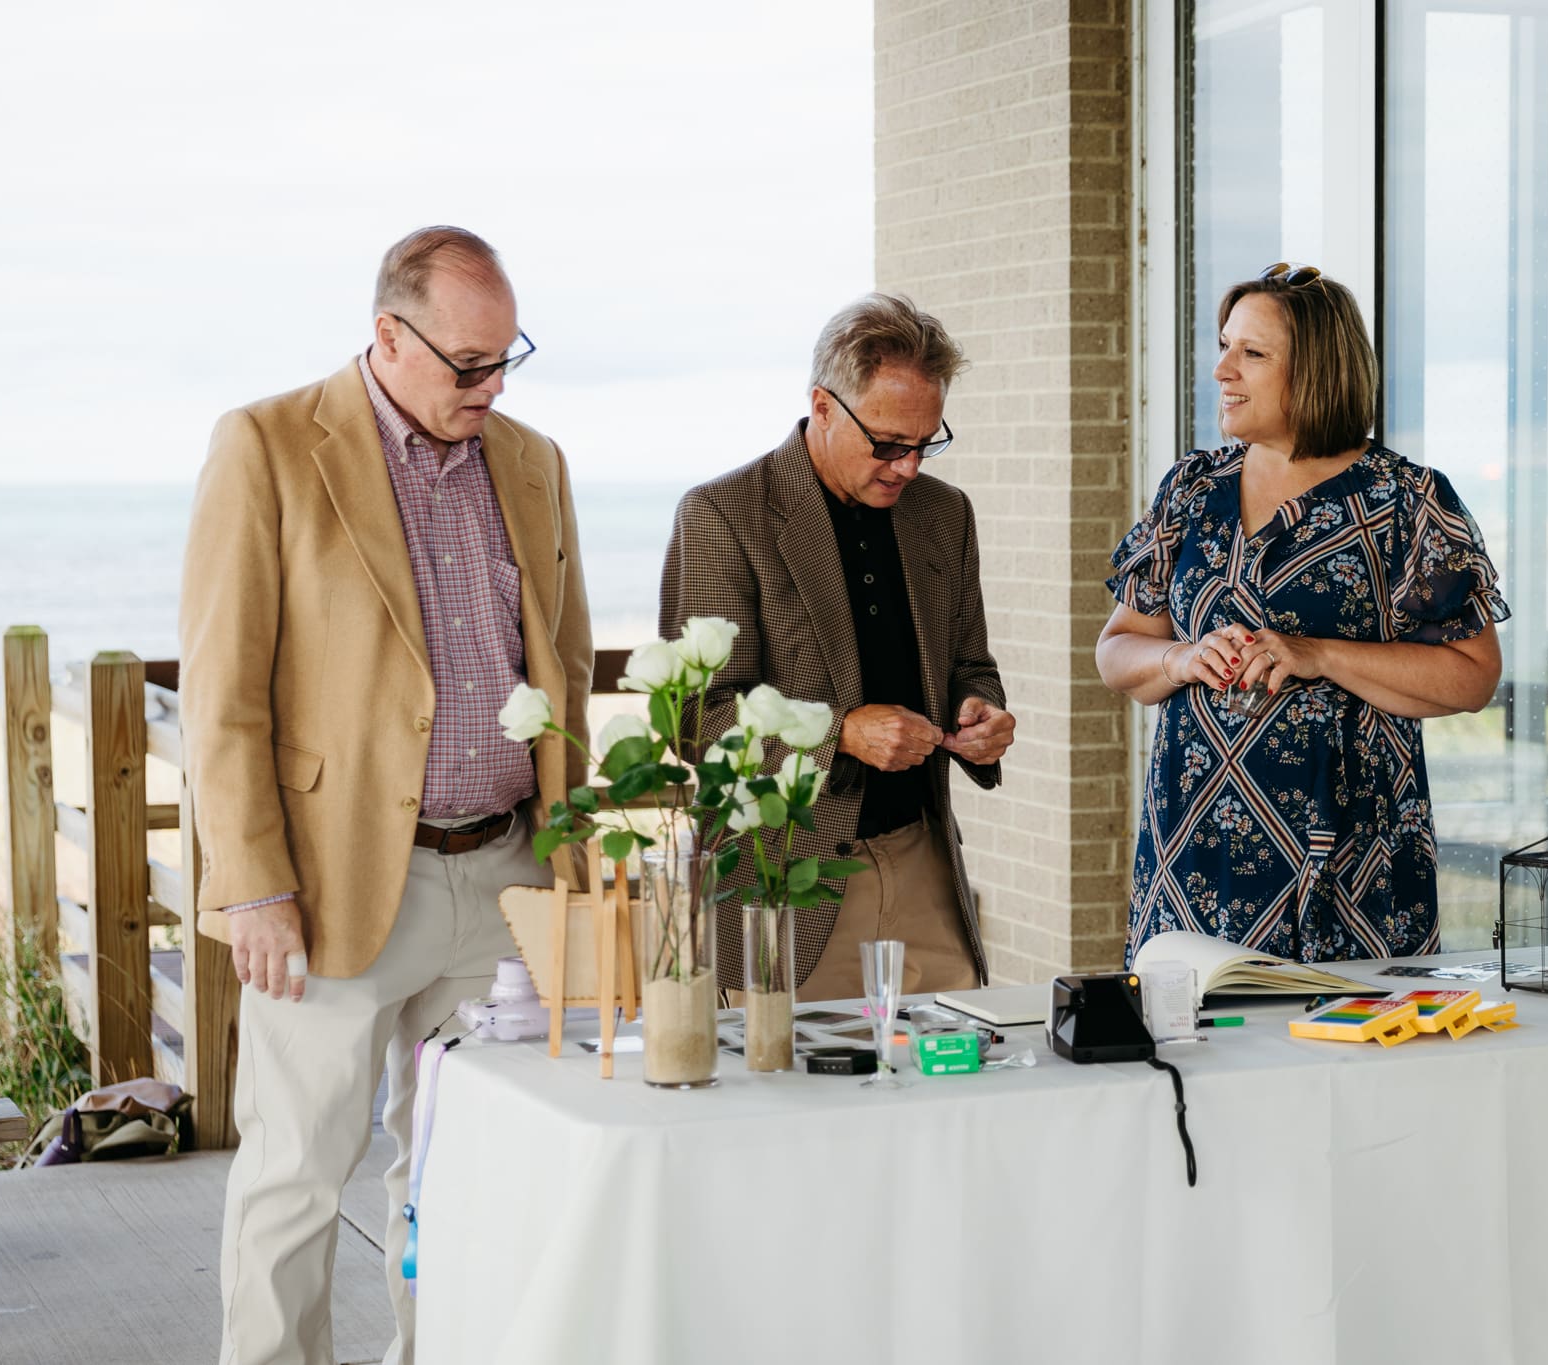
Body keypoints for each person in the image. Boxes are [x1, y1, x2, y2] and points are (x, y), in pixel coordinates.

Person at [179, 226, 591, 1365]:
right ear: (387, 337)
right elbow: (223, 695)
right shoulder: (264, 446)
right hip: (331, 890)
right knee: (294, 1180)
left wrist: (568, 853)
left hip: (504, 879)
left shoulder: (533, 460)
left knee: (467, 1178)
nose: (491, 385)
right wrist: (250, 885)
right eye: (468, 364)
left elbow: (559, 663)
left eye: (507, 358)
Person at [1096, 262, 1506, 964]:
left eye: (1251, 354)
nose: (1223, 369)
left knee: (1346, 1064)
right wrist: (1180, 658)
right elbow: (1118, 650)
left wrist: (1317, 653)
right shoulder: (1193, 488)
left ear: (1315, 370)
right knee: (1194, 1061)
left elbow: (1472, 678)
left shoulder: (1407, 501)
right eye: (1225, 346)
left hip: (1350, 866)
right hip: (1190, 858)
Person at [659, 293, 1015, 999]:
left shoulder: (946, 514)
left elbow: (970, 662)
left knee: (962, 1098)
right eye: (888, 443)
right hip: (789, 881)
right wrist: (841, 735)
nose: (908, 467)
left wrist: (983, 711)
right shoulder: (723, 515)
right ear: (822, 406)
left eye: (925, 442)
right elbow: (695, 718)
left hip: (926, 866)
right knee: (797, 1107)